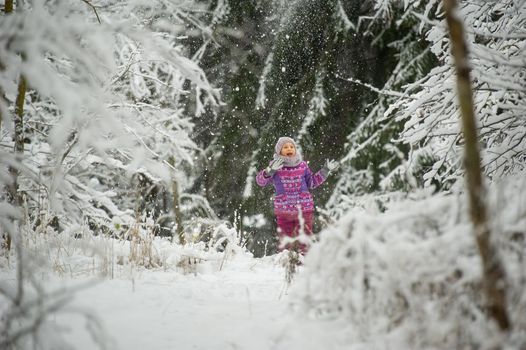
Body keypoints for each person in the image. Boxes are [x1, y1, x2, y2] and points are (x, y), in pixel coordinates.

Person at [255, 136, 339, 254]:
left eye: (291, 146)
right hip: (284, 210)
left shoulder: (302, 165)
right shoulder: (275, 167)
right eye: (285, 147)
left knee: (304, 238)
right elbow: (260, 181)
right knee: (286, 239)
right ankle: (287, 262)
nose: (289, 148)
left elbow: (312, 182)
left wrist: (325, 170)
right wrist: (269, 170)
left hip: (304, 208)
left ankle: (304, 261)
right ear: (279, 151)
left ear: (295, 149)